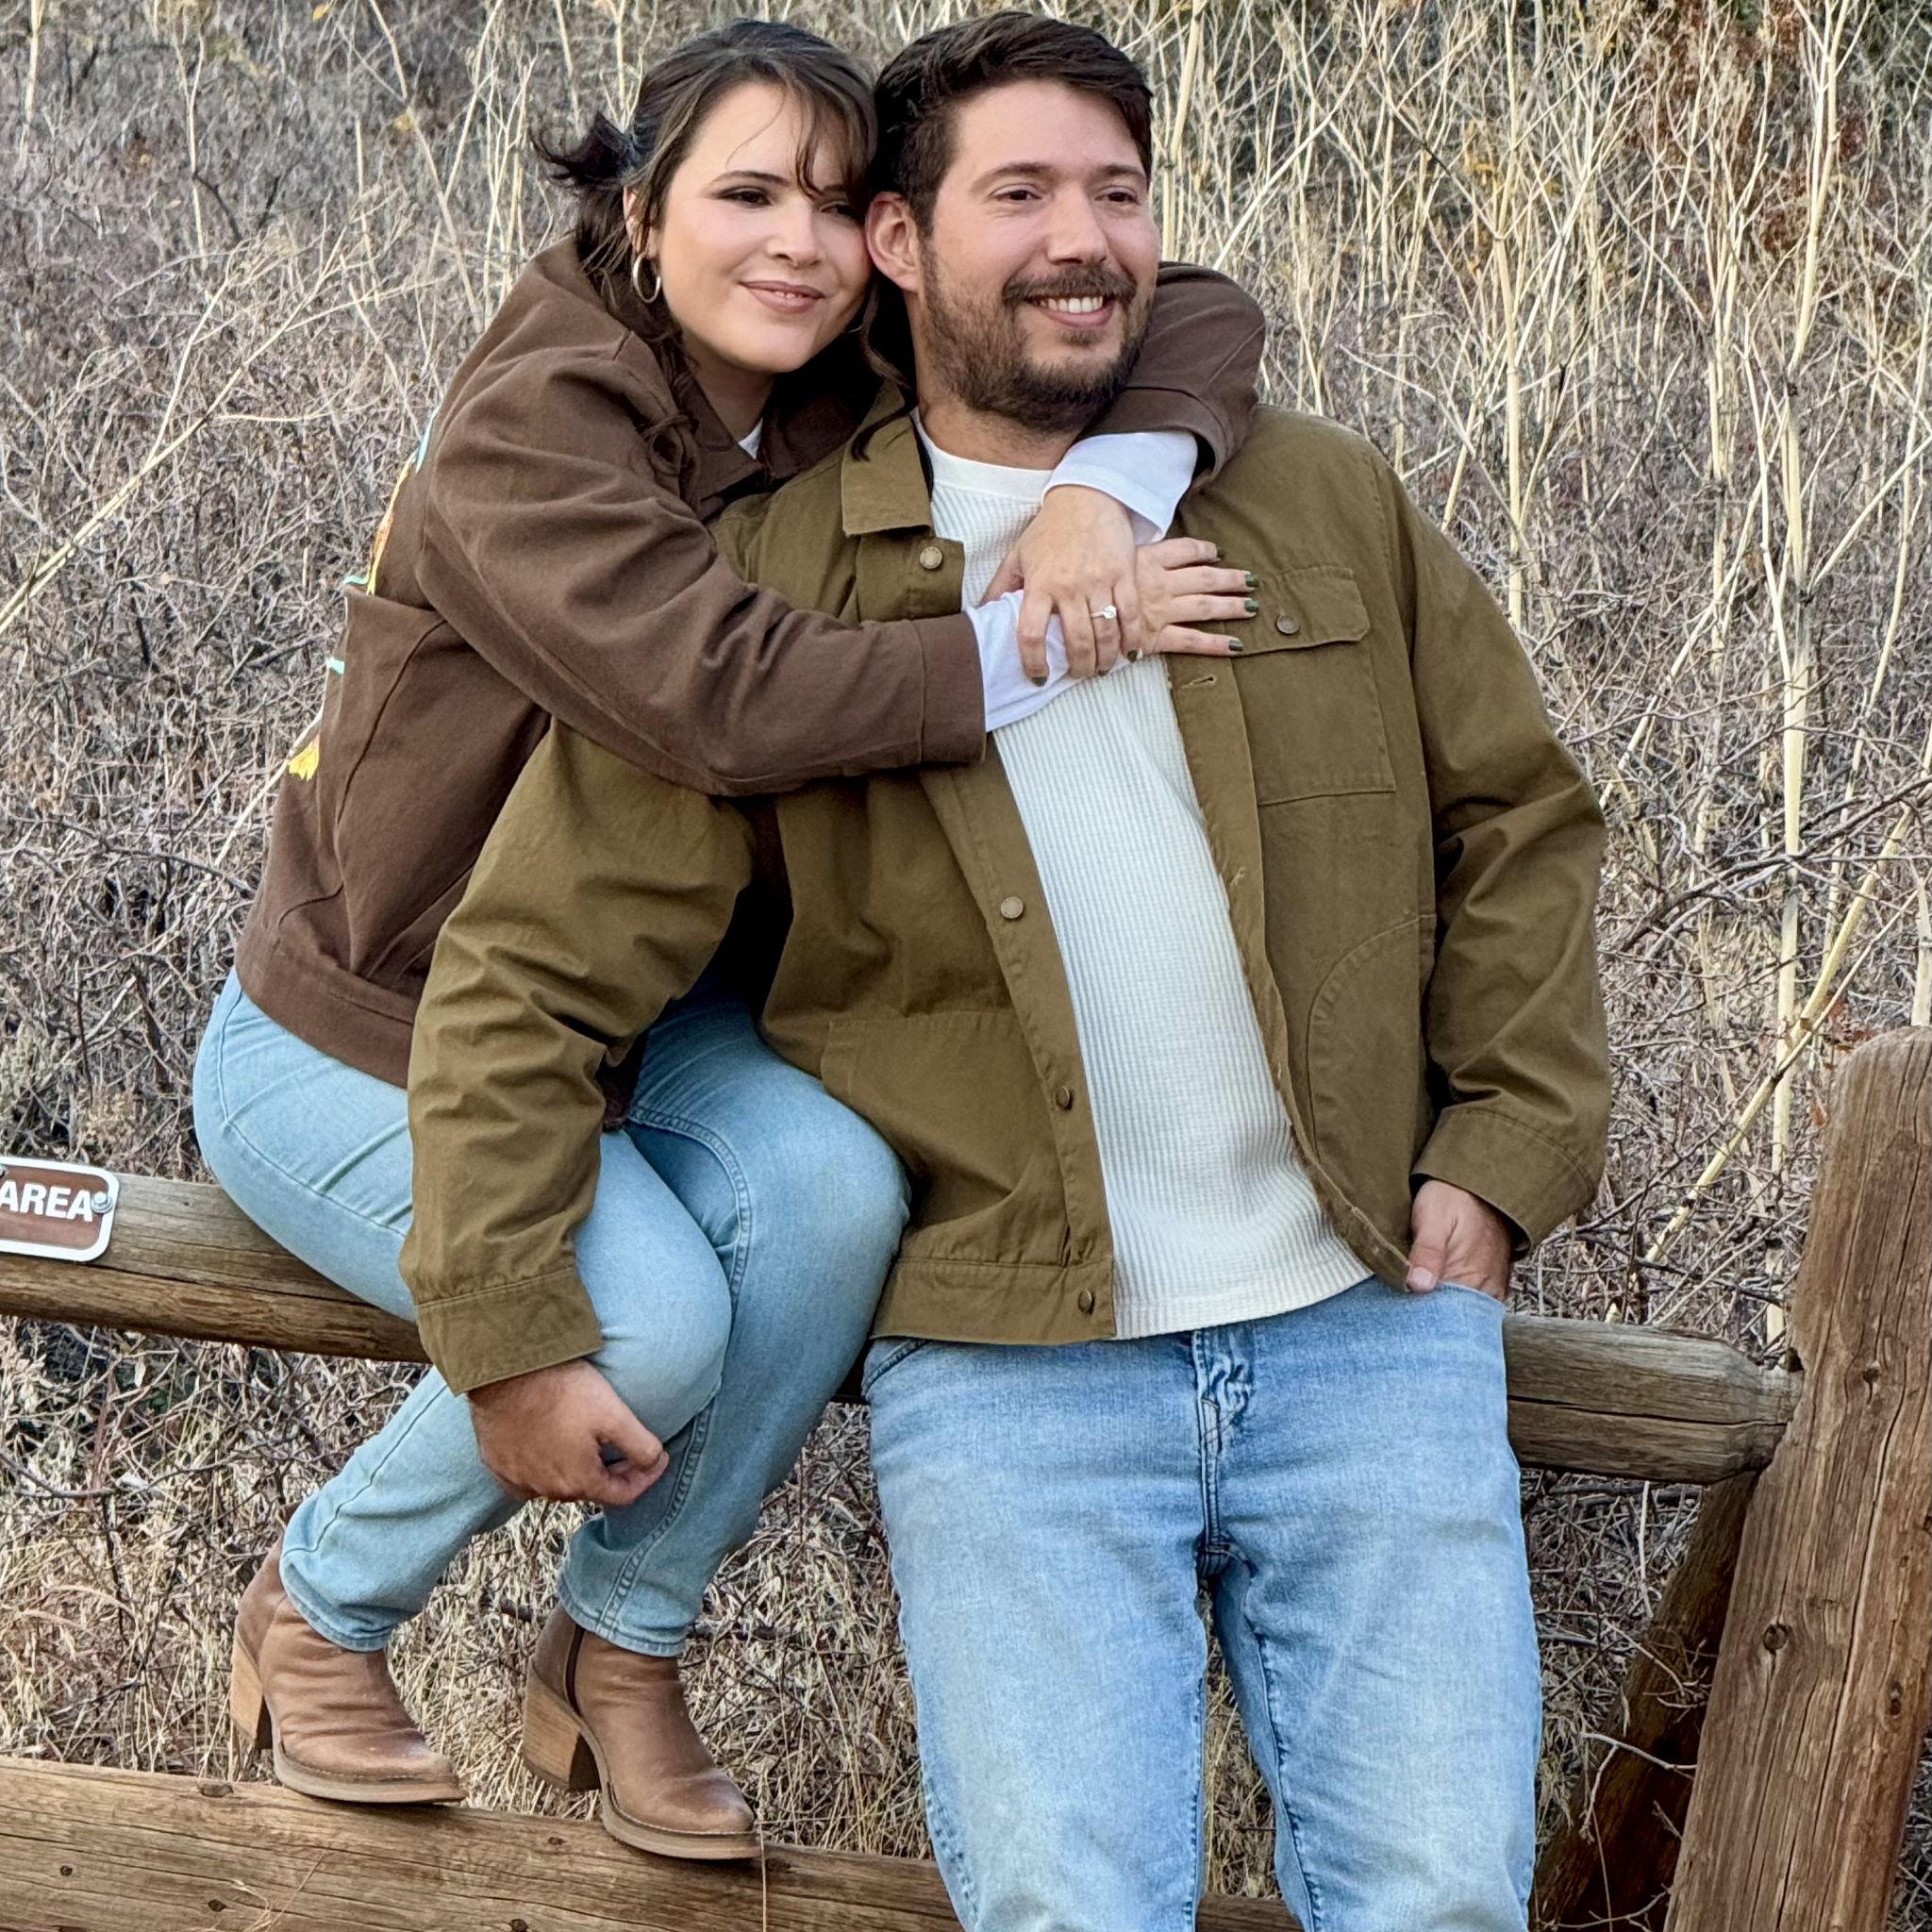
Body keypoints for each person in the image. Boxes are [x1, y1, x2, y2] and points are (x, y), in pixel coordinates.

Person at [402, 13, 1610, 1928]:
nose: (1082, 240)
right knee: (1067, 1907)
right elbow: (527, 975)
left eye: (1116, 192)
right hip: (1014, 1373)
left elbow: (1520, 820)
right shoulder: (776, 580)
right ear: (893, 241)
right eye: (1020, 193)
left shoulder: (1316, 503)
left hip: (1368, 1327)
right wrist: (509, 1319)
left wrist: (1509, 1153)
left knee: (1444, 1897)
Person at [194, 17, 1266, 1858]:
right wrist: (1049, 635)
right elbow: (728, 701)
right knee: (650, 1320)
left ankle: (616, 1644)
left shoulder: (822, 363)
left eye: (840, 205)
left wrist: (1106, 487)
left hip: (646, 1019)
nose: (794, 241)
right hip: (367, 1027)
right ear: (640, 209)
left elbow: (1194, 310)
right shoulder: (533, 426)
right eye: (743, 193)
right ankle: (319, 1607)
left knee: (839, 1193)